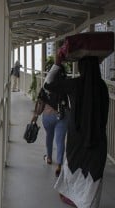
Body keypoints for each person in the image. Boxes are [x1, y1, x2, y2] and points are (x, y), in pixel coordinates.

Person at [44, 55, 109, 208]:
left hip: (76, 137)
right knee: (93, 174)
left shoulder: (75, 84)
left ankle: (74, 198)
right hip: (98, 139)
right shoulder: (102, 86)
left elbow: (48, 85)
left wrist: (57, 64)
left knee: (73, 167)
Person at [31, 66, 69, 177]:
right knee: (60, 141)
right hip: (62, 116)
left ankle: (49, 157)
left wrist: (35, 115)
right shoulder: (67, 85)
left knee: (49, 136)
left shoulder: (46, 86)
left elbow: (40, 103)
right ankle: (59, 164)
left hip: (48, 116)